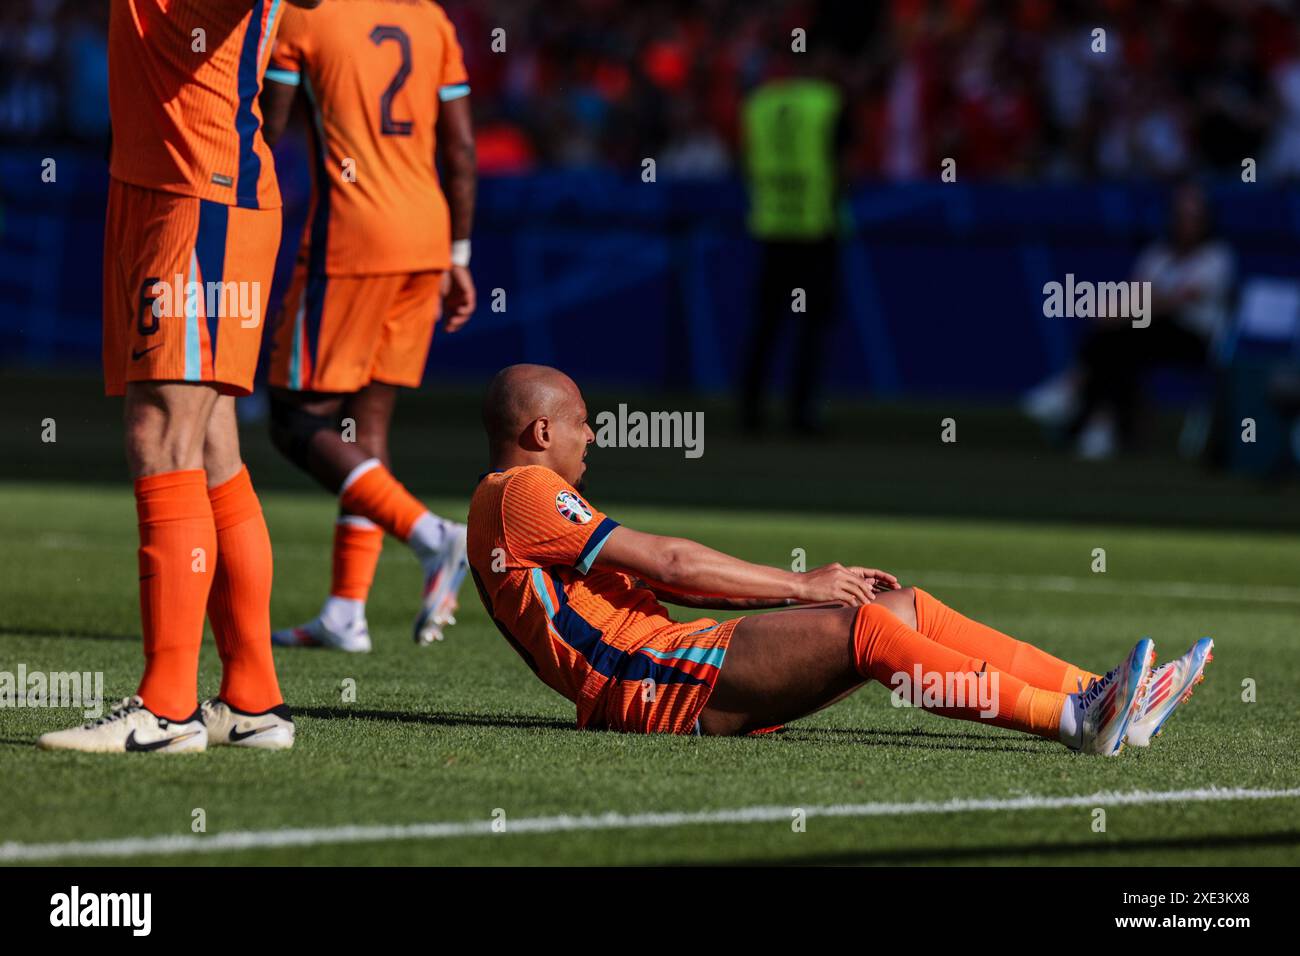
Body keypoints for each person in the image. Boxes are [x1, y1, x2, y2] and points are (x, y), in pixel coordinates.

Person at [467, 365, 1213, 752]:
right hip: (643, 684)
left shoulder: (526, 503)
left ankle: (1111, 698)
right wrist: (800, 583)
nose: (592, 437)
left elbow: (667, 577)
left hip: (663, 667)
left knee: (898, 609)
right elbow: (669, 558)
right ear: (538, 432)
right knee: (861, 634)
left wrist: (798, 595)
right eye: (582, 425)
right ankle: (1075, 721)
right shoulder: (520, 491)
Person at [39, 0, 325, 754]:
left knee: (160, 433)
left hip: (202, 193)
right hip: (158, 186)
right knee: (209, 449)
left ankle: (164, 710)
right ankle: (253, 698)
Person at [258, 0, 477, 652]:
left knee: (294, 419)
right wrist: (460, 255)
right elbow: (461, 148)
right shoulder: (431, 20)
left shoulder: (306, 16)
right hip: (427, 237)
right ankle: (346, 612)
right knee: (366, 425)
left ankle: (431, 535)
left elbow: (267, 130)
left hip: (352, 239)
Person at [1025, 182, 1235, 459]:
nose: (1187, 224)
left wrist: (1126, 311)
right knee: (1119, 342)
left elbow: (1176, 300)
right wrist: (1111, 311)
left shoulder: (1217, 257)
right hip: (1146, 331)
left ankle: (1077, 392)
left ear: (1206, 220)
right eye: (1181, 216)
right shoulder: (1157, 254)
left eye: (1193, 217)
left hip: (1196, 339)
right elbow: (1135, 291)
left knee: (1127, 335)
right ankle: (1100, 423)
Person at [738, 55, 849, 435]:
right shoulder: (826, 102)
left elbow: (745, 159)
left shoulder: (760, 103)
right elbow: (842, 161)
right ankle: (801, 414)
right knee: (811, 328)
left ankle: (749, 412)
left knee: (766, 325)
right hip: (814, 228)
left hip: (772, 227)